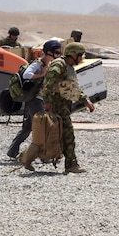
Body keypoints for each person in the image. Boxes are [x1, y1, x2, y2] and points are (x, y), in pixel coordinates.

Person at [41, 41, 95, 174]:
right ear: (73, 55)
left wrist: (85, 100)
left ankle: (27, 157)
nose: (82, 58)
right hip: (57, 105)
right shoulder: (59, 65)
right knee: (67, 135)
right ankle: (71, 165)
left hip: (63, 106)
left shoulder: (68, 66)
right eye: (80, 55)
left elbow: (72, 88)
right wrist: (47, 101)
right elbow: (48, 83)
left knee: (58, 135)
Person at [7, 40, 62, 161]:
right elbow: (27, 75)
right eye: (57, 52)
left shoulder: (49, 65)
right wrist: (42, 74)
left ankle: (12, 151)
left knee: (28, 128)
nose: (59, 55)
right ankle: (44, 155)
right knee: (43, 127)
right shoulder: (38, 64)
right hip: (35, 101)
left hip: (40, 100)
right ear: (49, 52)